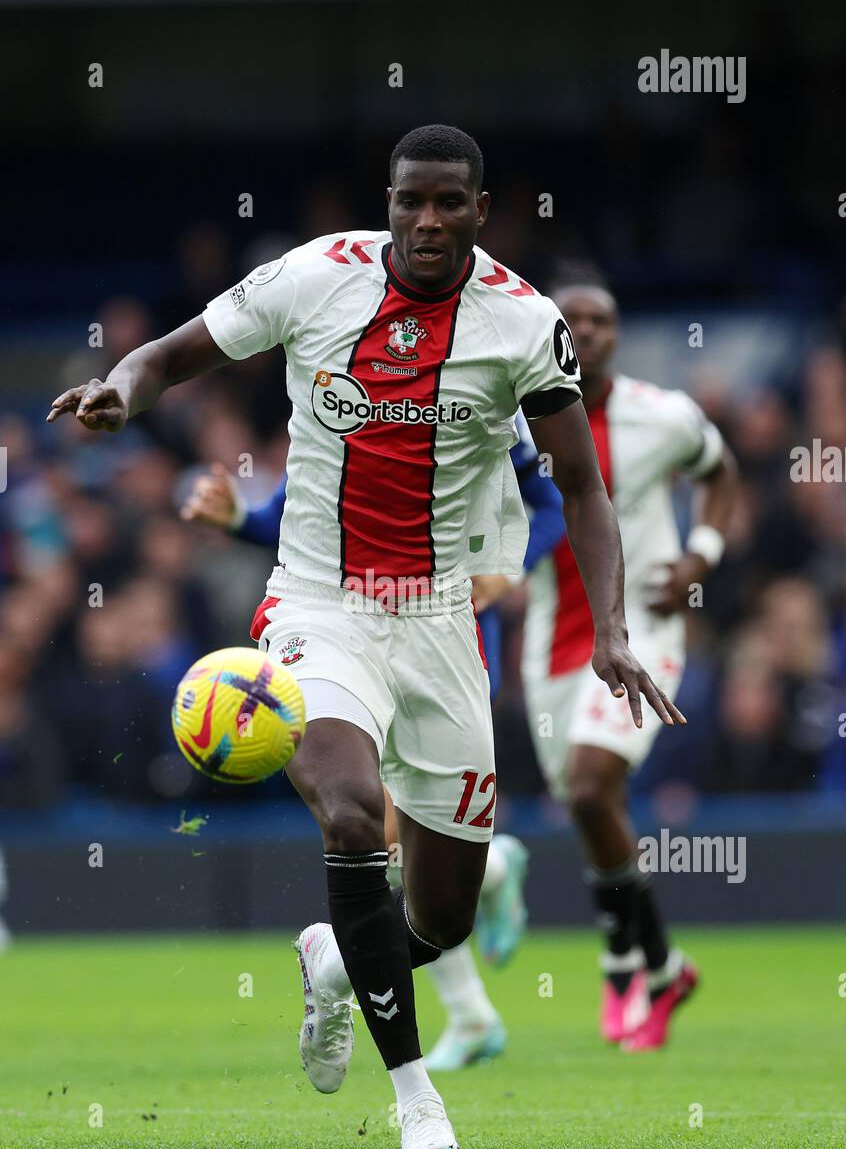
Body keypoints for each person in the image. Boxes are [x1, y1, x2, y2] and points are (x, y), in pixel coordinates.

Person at [49, 124, 683, 1149]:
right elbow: (174, 351)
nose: (426, 221)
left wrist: (610, 628)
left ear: (480, 211)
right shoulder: (315, 276)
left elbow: (581, 484)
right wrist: (126, 386)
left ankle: (333, 959)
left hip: (439, 621)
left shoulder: (523, 322)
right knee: (350, 817)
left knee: (441, 919)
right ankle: (416, 1096)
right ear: (387, 202)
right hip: (317, 602)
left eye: (448, 204)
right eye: (408, 201)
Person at [180, 413, 568, 1071]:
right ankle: (473, 987)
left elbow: (554, 501)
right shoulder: (342, 383)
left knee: (404, 850)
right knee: (387, 841)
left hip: (444, 647)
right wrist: (237, 520)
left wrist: (509, 568)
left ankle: (471, 905)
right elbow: (298, 527)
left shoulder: (484, 377)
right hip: (349, 652)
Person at [520, 284, 737, 1050]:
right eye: (570, 319)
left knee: (589, 783)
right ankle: (666, 964)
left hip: (642, 625)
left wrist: (698, 555)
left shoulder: (663, 414)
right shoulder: (513, 417)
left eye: (600, 320)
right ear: (549, 330)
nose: (584, 330)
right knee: (591, 809)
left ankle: (620, 968)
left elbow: (722, 472)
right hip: (551, 638)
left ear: (617, 335)